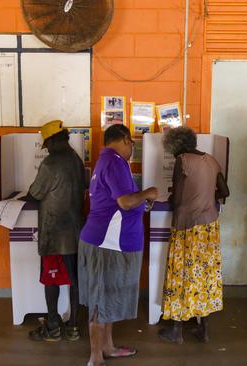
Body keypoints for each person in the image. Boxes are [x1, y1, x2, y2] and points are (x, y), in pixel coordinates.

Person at [78, 124, 158, 366]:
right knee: (100, 298)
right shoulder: (115, 161)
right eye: (132, 143)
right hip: (107, 244)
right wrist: (147, 193)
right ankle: (95, 358)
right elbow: (124, 202)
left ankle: (108, 348)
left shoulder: (106, 160)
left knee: (107, 297)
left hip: (110, 242)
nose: (132, 148)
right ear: (124, 139)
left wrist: (142, 200)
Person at [157, 127, 229, 344]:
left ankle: (176, 331)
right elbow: (225, 192)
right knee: (204, 274)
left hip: (186, 226)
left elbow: (177, 199)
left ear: (175, 145)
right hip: (209, 228)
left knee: (181, 274)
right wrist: (205, 195)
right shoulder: (211, 159)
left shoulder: (182, 160)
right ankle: (203, 330)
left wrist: (168, 197)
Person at [24, 120, 86, 342]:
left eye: (46, 144)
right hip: (76, 232)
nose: (47, 148)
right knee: (75, 280)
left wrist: (21, 197)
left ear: (51, 141)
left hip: (54, 234)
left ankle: (52, 327)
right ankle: (74, 327)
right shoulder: (77, 161)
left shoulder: (50, 164)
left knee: (51, 279)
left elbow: (35, 194)